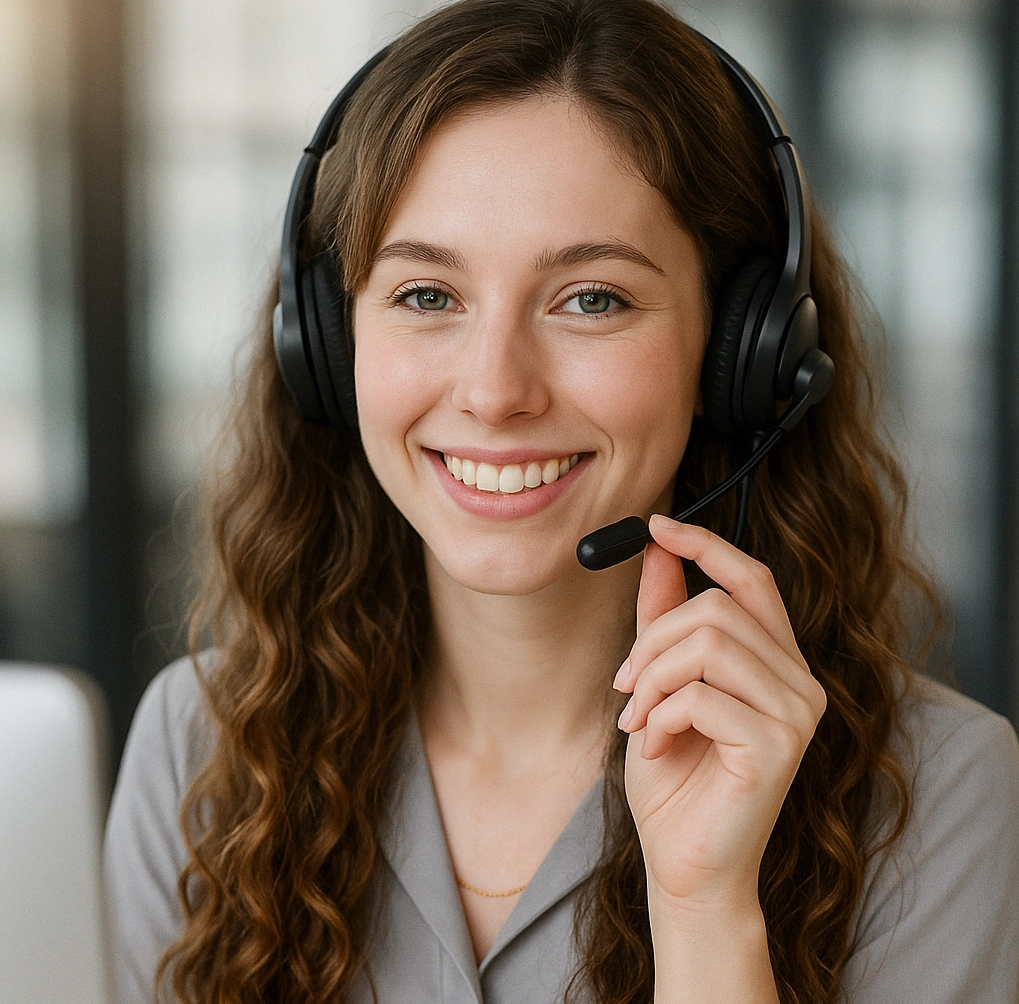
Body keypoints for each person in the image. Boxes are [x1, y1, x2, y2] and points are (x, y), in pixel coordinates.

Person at [102, 1, 1019, 1002]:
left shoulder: (939, 792)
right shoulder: (202, 745)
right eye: (424, 296)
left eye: (590, 298)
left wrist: (706, 909)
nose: (494, 391)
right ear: (326, 341)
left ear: (739, 354)